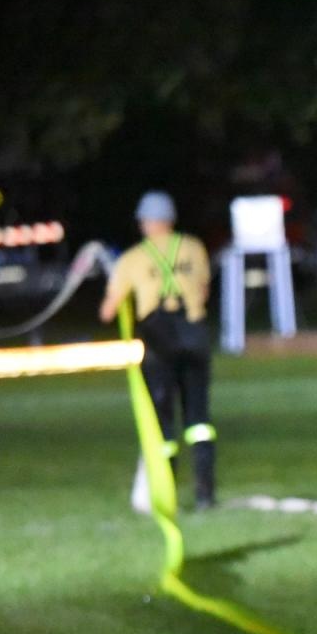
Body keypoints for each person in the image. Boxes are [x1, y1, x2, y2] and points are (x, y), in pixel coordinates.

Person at [99, 191, 218, 509]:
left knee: (163, 426)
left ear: (148, 222)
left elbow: (107, 313)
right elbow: (203, 292)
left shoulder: (132, 258)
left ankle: (168, 495)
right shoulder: (194, 248)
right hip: (194, 338)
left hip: (158, 344)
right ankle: (206, 494)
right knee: (199, 420)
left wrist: (115, 282)